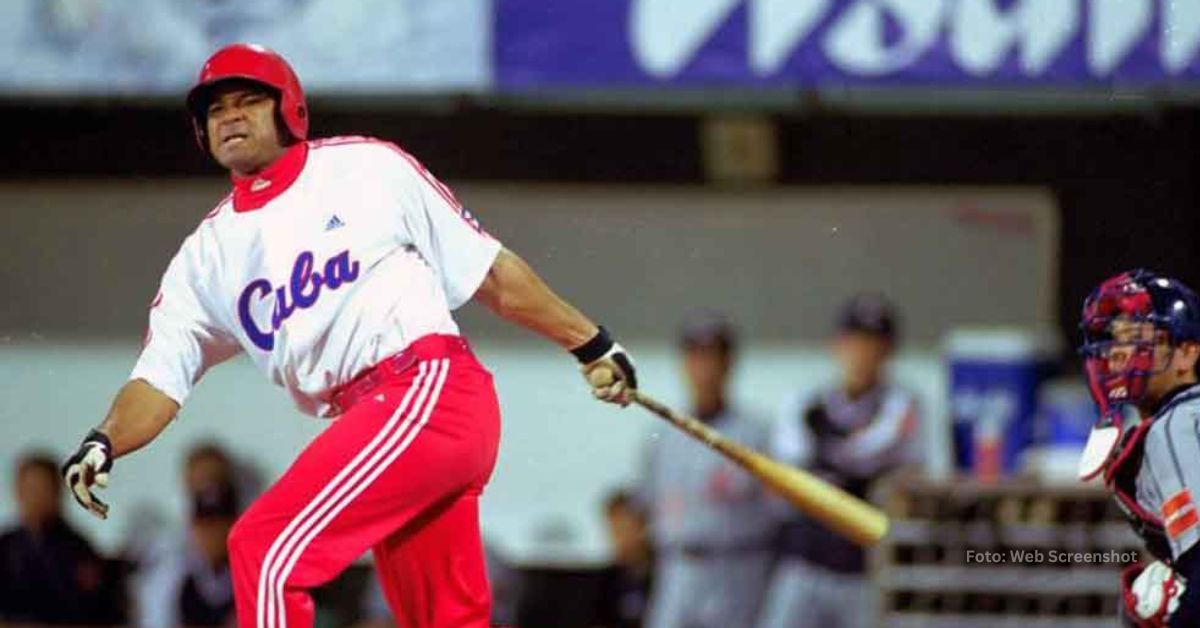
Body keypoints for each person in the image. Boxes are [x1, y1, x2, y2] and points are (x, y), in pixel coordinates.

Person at [60, 42, 637, 628]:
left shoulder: (366, 167)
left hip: (428, 389)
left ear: (289, 110)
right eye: (215, 109)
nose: (229, 115)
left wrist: (589, 342)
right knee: (443, 619)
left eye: (248, 101)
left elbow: (490, 273)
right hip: (379, 417)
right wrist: (105, 439)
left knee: (265, 552)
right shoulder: (204, 258)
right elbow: (159, 378)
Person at [758, 294, 919, 628]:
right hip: (806, 559)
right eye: (855, 342)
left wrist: (827, 457)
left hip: (864, 568)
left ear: (888, 351)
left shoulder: (903, 404)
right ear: (837, 345)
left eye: (874, 344)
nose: (862, 354)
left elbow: (872, 453)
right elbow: (790, 462)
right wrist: (835, 463)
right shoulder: (807, 402)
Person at [1075, 270, 1200, 626]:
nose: (1117, 354)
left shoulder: (1176, 427)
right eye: (1114, 339)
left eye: (1137, 339)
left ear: (1186, 354)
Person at [639, 312, 774, 628]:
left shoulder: (756, 432)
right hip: (678, 566)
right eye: (696, 356)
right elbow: (645, 502)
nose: (704, 368)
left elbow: (777, 512)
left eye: (712, 357)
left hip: (737, 566)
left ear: (729, 364)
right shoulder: (663, 434)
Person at [0, 453, 120, 624]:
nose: (35, 498)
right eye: (29, 489)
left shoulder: (79, 551)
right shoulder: (5, 547)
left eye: (42, 489)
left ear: (57, 492)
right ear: (17, 491)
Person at [593, 489, 654, 628]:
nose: (618, 538)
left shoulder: (667, 574)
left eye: (624, 528)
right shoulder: (608, 579)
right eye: (613, 530)